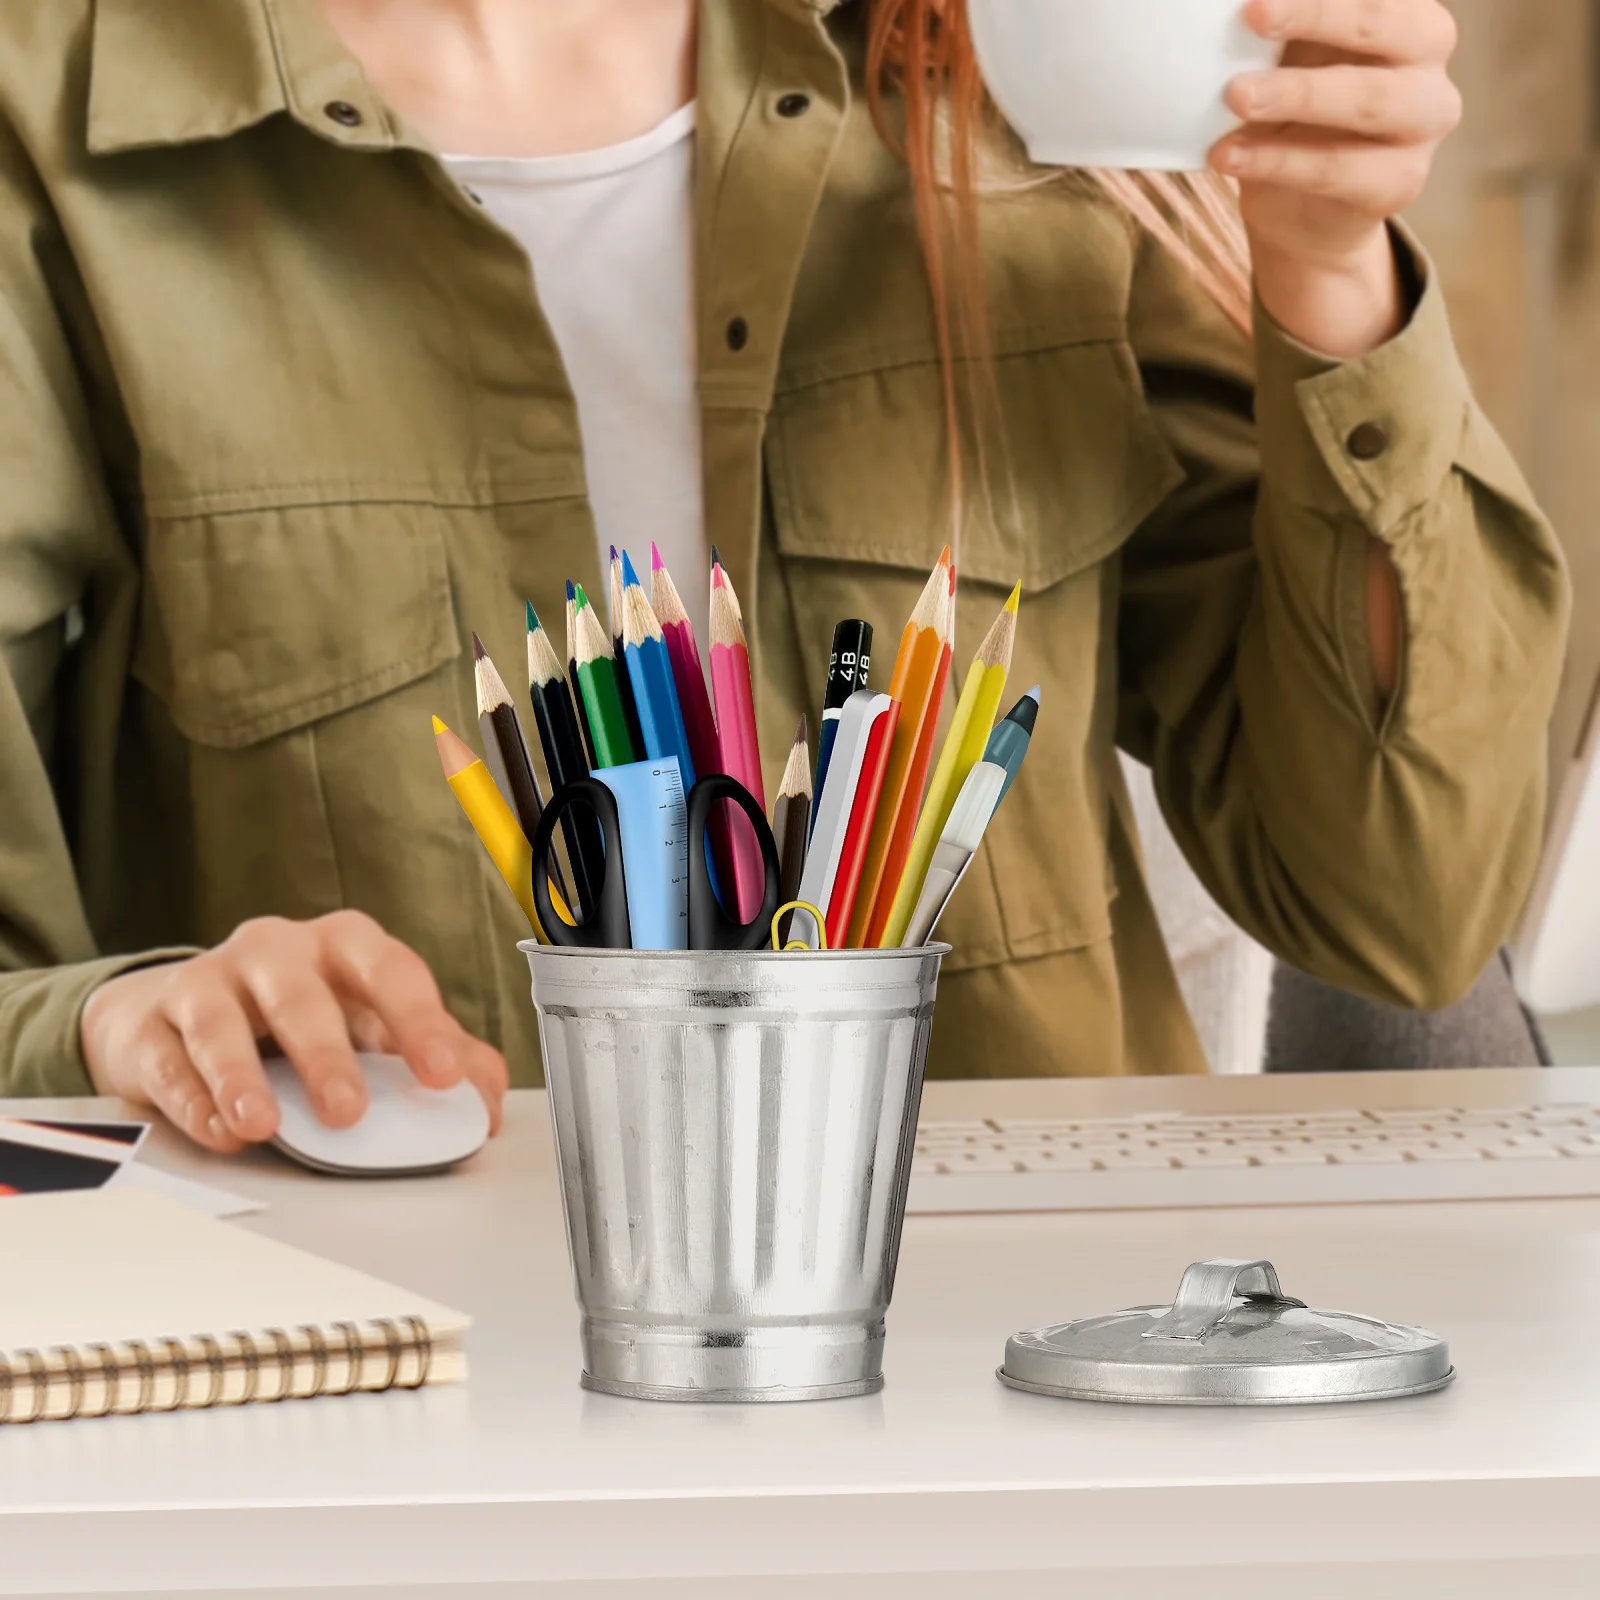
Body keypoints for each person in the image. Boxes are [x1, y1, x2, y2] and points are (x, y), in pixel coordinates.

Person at [0, 0, 1570, 1151]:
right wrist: (125, 1015)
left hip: (1006, 1395)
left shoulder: (1024, 79)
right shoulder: (57, 127)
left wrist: (1331, 267)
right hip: (387, 1400)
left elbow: (1402, 909)